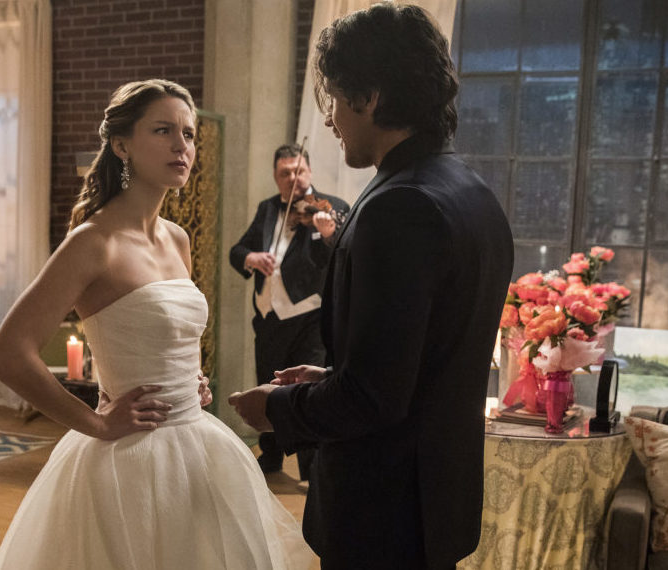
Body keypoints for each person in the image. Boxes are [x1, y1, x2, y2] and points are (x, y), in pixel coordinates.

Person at [229, 5, 514, 569]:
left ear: (371, 97)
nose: (329, 119)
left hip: (385, 511)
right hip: (434, 498)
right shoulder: (471, 191)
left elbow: (375, 398)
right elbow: (419, 362)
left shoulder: (400, 206)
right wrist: (333, 375)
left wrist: (278, 408)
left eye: (335, 98)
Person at [0, 79, 312, 569]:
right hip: (128, 460)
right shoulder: (93, 242)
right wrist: (96, 422)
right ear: (121, 145)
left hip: (197, 444)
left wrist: (190, 378)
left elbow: (169, 329)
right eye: (163, 131)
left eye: (189, 134)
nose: (182, 146)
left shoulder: (177, 239)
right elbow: (8, 355)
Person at [229, 144, 348, 478]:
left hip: (310, 317)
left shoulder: (332, 207)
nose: (294, 178)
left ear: (309, 171)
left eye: (299, 171)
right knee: (268, 383)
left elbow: (340, 260)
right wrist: (251, 258)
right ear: (276, 176)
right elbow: (238, 250)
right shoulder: (268, 208)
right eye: (286, 173)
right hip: (268, 317)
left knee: (306, 391)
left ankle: (310, 468)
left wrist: (327, 234)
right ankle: (271, 456)